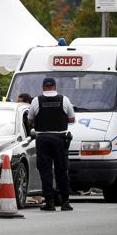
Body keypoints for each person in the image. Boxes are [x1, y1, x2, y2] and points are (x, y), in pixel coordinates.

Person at [28, 77, 75, 211]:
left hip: (42, 138)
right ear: (55, 86)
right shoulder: (64, 99)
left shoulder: (36, 100)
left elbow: (30, 120)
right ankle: (65, 202)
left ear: (43, 87)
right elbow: (72, 118)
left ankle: (50, 202)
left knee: (45, 171)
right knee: (62, 170)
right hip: (60, 138)